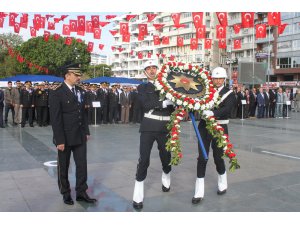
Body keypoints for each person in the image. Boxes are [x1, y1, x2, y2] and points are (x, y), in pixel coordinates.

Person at [49, 65, 97, 205]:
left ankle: (82, 192)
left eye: (79, 75)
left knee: (82, 165)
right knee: (63, 166)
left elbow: (83, 114)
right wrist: (59, 140)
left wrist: (86, 132)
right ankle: (66, 193)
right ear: (67, 75)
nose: (79, 77)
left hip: (80, 135)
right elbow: (56, 119)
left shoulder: (81, 91)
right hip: (65, 136)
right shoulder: (57, 92)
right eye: (76, 75)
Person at [132, 60, 175, 210]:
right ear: (145, 72)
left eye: (153, 68)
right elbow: (145, 104)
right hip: (149, 126)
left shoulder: (168, 85)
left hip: (165, 127)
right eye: (148, 69)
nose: (151, 70)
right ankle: (138, 195)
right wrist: (163, 103)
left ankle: (166, 175)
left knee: (166, 156)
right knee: (144, 159)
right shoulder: (142, 87)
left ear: (158, 70)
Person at [192, 67, 237, 204]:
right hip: (204, 127)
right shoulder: (206, 91)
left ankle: (222, 182)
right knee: (202, 158)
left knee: (218, 157)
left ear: (224, 79)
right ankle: (199, 192)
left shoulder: (229, 93)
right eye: (215, 78)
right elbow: (197, 102)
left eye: (220, 78)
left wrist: (213, 113)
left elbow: (228, 108)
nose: (217, 81)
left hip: (220, 127)